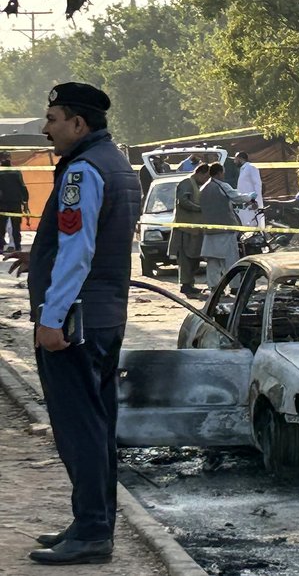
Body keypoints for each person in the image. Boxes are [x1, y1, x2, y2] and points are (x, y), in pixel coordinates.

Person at [4, 82, 140, 565]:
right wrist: (35, 254)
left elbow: (78, 251)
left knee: (79, 429)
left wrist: (51, 317)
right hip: (104, 317)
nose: (45, 129)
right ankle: (91, 521)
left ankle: (92, 532)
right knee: (98, 427)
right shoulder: (115, 164)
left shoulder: (82, 170)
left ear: (78, 124)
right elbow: (89, 241)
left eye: (53, 119)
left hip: (76, 322)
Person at [199, 162, 256, 291]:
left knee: (213, 260)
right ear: (219, 173)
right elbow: (236, 197)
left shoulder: (203, 188)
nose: (223, 175)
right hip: (225, 228)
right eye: (223, 172)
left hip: (209, 230)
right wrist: (250, 197)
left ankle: (214, 286)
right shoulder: (222, 185)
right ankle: (234, 286)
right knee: (231, 258)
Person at [168, 163, 209, 296]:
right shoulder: (186, 183)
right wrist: (199, 208)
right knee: (186, 258)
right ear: (200, 173)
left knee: (194, 258)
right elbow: (183, 201)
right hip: (186, 229)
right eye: (205, 177)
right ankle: (185, 285)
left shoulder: (197, 185)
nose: (205, 180)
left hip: (195, 229)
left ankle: (189, 283)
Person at [0, 151, 29, 252]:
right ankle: (17, 246)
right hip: (13, 203)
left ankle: (10, 246)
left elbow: (22, 188)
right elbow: (23, 187)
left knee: (4, 227)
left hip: (4, 204)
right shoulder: (16, 171)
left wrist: (25, 202)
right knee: (14, 227)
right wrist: (25, 203)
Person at [234, 151, 264, 226]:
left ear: (240, 158)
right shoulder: (243, 169)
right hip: (245, 203)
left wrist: (255, 201)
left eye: (235, 159)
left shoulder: (251, 167)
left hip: (252, 203)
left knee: (254, 224)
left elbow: (257, 184)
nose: (234, 162)